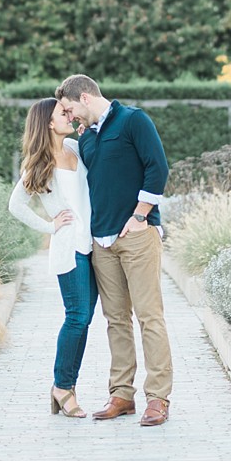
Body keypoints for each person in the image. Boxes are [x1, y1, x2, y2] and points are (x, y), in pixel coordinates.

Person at [55, 74, 173, 427]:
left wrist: (140, 215)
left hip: (137, 236)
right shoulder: (87, 139)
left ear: (86, 97)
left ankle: (158, 398)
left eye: (70, 108)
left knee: (149, 317)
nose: (70, 116)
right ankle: (122, 395)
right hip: (101, 243)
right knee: (116, 320)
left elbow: (158, 168)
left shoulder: (133, 120)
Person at [8, 97, 98, 418]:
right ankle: (62, 387)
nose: (69, 116)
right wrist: (49, 226)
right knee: (76, 316)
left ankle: (65, 386)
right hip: (68, 248)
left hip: (91, 245)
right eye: (63, 113)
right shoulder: (40, 162)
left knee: (85, 320)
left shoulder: (74, 147)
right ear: (48, 121)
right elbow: (15, 205)